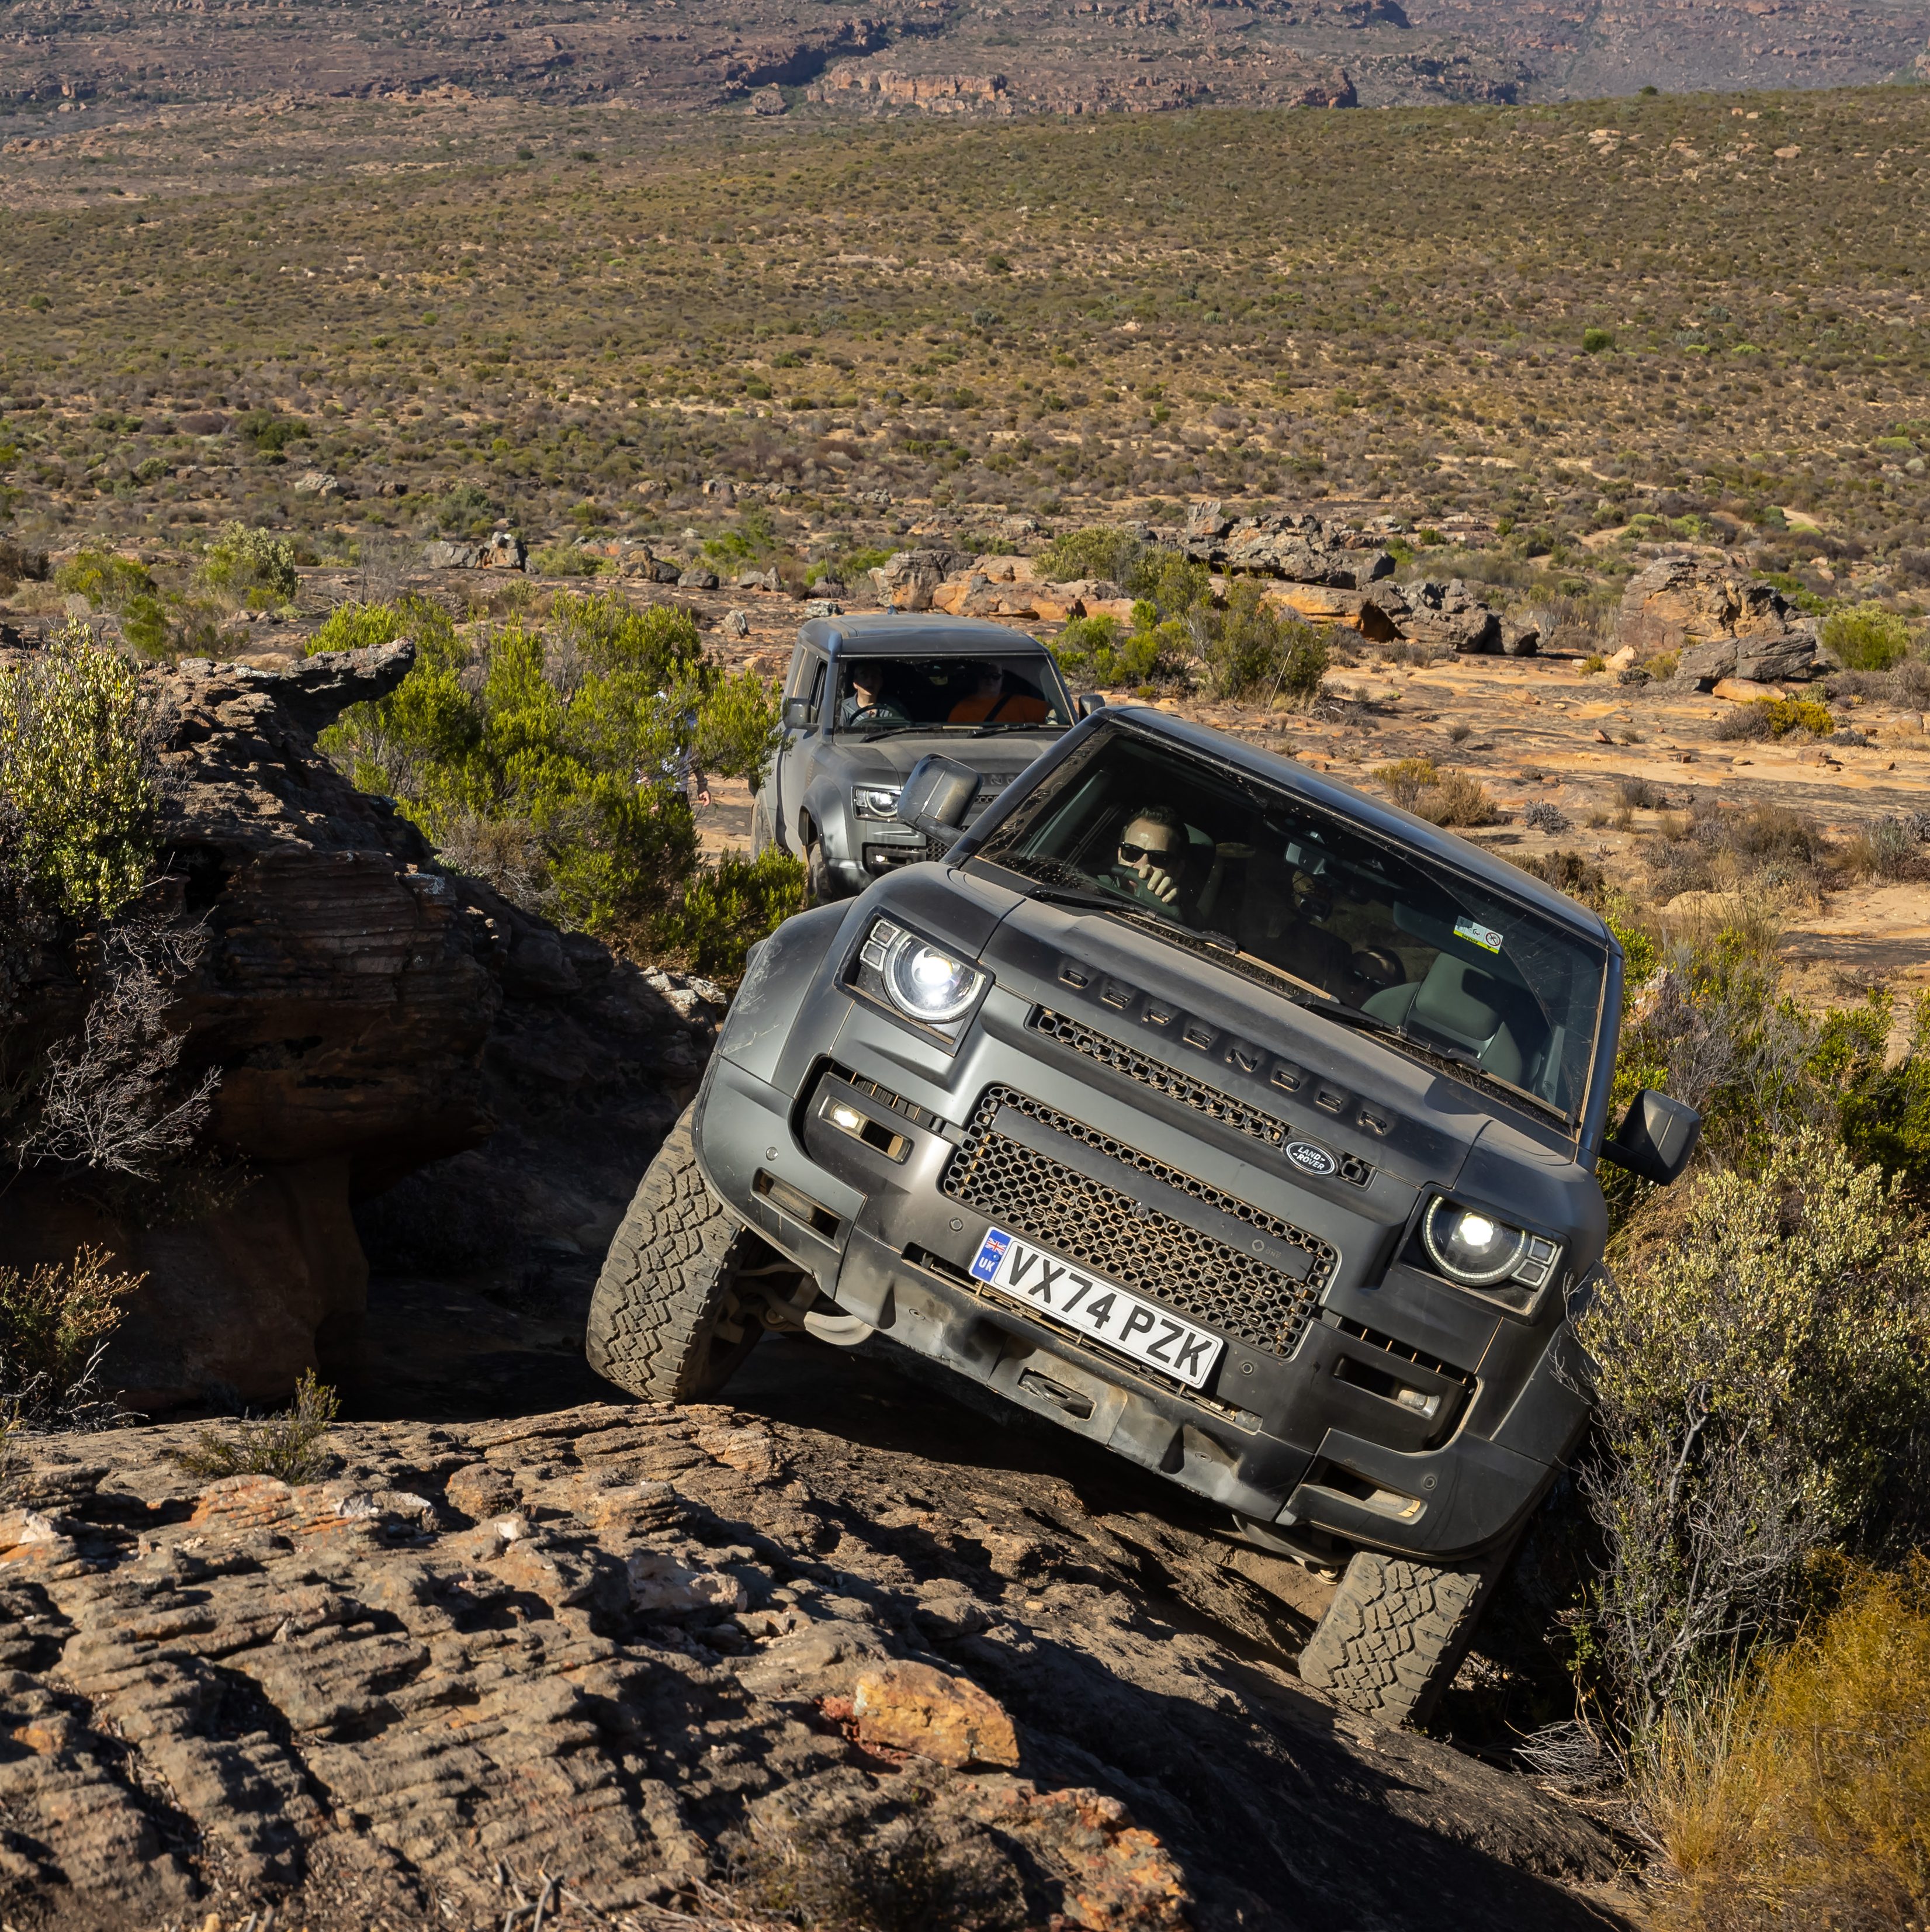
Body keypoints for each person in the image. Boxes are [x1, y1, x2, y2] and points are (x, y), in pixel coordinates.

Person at [1106, 804, 1195, 913]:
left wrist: (1171, 911)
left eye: (1159, 858)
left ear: (1178, 870)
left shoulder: (1190, 919)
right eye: (1132, 852)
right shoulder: (1090, 888)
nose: (1142, 867)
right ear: (1119, 855)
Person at [947, 662, 1049, 726]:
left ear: (1002, 678)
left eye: (996, 676)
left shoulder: (1021, 703)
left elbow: (1056, 713)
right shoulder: (962, 709)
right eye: (985, 675)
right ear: (978, 677)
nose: (990, 680)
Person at [838, 663, 907, 729]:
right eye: (864, 676)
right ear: (855, 684)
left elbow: (908, 731)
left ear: (881, 682)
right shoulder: (843, 709)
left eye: (874, 676)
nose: (870, 681)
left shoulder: (894, 706)